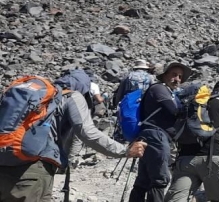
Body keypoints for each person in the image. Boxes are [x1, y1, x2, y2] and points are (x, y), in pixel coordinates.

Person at [0, 70, 146, 202]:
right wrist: (124, 151)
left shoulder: (36, 97)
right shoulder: (73, 96)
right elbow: (88, 133)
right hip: (33, 167)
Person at [129, 62, 191, 202]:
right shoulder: (159, 89)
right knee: (159, 179)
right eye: (174, 75)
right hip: (157, 136)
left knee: (143, 180)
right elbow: (174, 111)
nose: (177, 79)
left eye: (180, 77)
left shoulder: (167, 91)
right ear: (164, 76)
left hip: (150, 136)